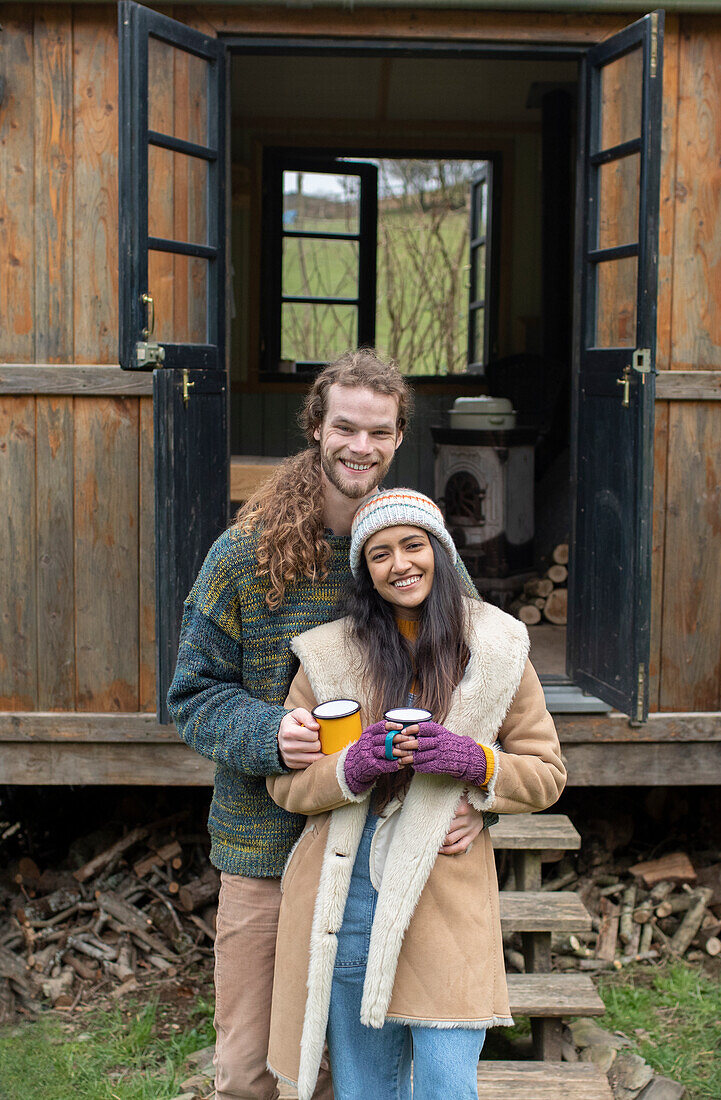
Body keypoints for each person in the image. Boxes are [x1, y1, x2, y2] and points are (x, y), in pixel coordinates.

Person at [167, 350, 487, 1100]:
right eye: (345, 427)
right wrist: (266, 734)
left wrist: (481, 801)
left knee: (360, 1076)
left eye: (378, 432)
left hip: (385, 856)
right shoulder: (243, 556)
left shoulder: (415, 549)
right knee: (252, 1071)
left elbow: (485, 688)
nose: (360, 447)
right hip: (268, 852)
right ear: (317, 428)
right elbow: (191, 693)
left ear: (398, 437)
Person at [265, 489, 567, 1100]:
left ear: (441, 552)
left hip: (446, 888)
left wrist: (476, 767)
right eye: (380, 554)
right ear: (365, 572)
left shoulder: (499, 648)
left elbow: (546, 775)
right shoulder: (325, 657)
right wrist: (354, 764)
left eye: (413, 545)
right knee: (365, 1087)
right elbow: (286, 786)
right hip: (351, 890)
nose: (400, 564)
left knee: (445, 1084)